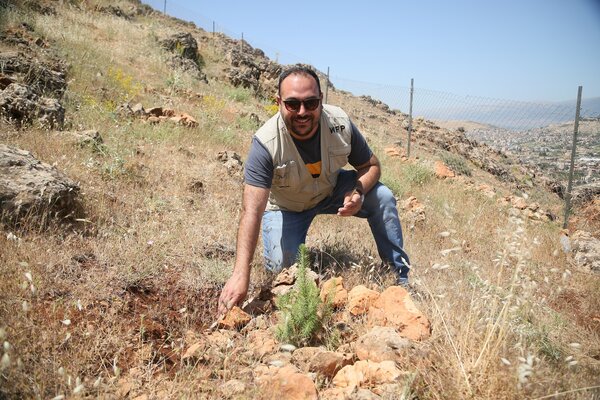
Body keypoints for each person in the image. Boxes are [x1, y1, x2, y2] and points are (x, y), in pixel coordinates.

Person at [217, 65, 410, 315]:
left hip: (330, 190)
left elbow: (371, 165)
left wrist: (358, 192)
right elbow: (252, 210)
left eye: (310, 103)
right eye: (292, 104)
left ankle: (401, 278)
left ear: (321, 100)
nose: (302, 112)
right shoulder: (265, 143)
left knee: (382, 196)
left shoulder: (339, 123)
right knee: (282, 271)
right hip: (287, 206)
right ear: (278, 102)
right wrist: (240, 275)